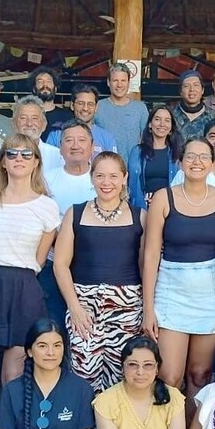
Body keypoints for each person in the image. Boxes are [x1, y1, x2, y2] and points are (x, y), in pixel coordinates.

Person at [0, 133, 61, 385]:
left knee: (14, 376)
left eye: (27, 154)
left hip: (24, 286)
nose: (19, 159)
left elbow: (39, 260)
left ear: (36, 161)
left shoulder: (47, 206)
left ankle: (8, 425)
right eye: (12, 153)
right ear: (2, 161)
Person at [143, 137, 215, 399]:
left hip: (211, 293)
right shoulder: (163, 198)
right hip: (172, 291)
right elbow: (150, 255)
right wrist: (148, 308)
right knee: (170, 376)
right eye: (190, 156)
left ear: (212, 162)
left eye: (204, 156)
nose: (197, 162)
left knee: (200, 373)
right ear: (180, 162)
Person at [53, 152, 145, 392]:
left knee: (122, 376)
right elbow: (60, 263)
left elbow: (147, 265)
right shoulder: (75, 213)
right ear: (91, 178)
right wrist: (74, 307)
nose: (107, 182)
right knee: (85, 375)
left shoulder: (140, 217)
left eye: (114, 176)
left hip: (127, 308)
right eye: (100, 175)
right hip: (84, 306)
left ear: (124, 178)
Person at [38, 121, 97, 334]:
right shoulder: (47, 180)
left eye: (82, 140)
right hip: (52, 263)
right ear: (60, 148)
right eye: (68, 140)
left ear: (92, 146)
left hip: (91, 268)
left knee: (87, 328)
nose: (75, 146)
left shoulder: (101, 180)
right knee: (54, 325)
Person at [0, 95, 64, 172]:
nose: (29, 124)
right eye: (23, 118)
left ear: (44, 125)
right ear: (13, 124)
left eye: (34, 118)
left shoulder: (58, 156)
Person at [126, 105, 181, 206]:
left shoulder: (177, 153)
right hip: (142, 206)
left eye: (167, 120)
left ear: (171, 128)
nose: (162, 124)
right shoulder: (137, 151)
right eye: (157, 119)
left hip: (170, 206)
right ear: (150, 124)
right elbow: (132, 185)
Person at [47, 85, 116, 157]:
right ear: (72, 105)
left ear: (96, 107)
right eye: (80, 103)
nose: (85, 108)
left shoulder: (107, 138)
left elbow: (112, 166)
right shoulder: (56, 135)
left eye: (90, 104)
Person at [95, 63, 150, 152]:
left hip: (132, 164)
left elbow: (148, 139)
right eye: (115, 80)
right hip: (105, 164)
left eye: (123, 80)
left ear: (128, 83)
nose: (119, 85)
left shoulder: (140, 108)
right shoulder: (98, 107)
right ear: (108, 82)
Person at [171, 70, 214, 143]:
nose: (192, 89)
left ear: (202, 90)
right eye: (186, 86)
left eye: (196, 85)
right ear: (180, 92)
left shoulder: (213, 116)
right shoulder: (170, 115)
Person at [30, 65, 73, 134]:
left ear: (55, 89)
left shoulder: (68, 117)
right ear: (34, 89)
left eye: (49, 81)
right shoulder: (27, 115)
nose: (45, 85)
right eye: (40, 82)